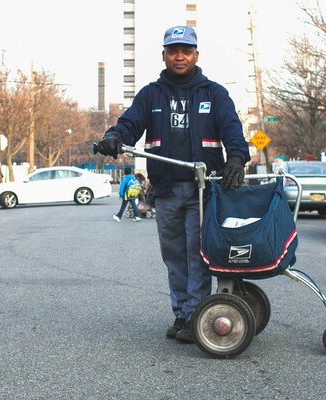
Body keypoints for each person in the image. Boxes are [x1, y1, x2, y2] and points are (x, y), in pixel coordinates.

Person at [96, 25, 250, 343]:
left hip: (203, 190)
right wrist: (115, 136)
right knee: (174, 254)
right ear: (164, 55)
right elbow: (129, 124)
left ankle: (195, 315)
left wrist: (236, 158)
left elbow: (234, 131)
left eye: (186, 51)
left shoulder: (214, 94)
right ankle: (182, 312)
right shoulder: (151, 95)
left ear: (196, 54)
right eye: (173, 51)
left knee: (197, 251)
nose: (180, 56)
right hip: (165, 189)